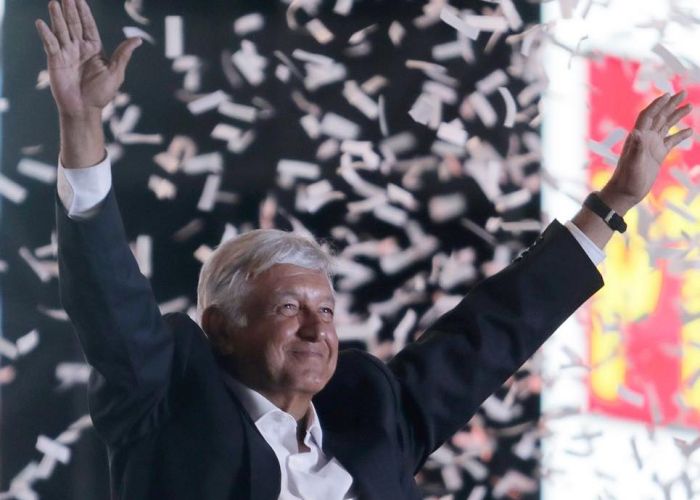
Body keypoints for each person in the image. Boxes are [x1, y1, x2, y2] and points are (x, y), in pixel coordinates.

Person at [35, 0, 693, 499]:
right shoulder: (169, 398)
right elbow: (108, 298)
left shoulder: (370, 413)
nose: (319, 328)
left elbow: (490, 331)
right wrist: (80, 126)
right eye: (289, 307)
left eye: (326, 309)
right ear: (221, 328)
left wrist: (611, 206)